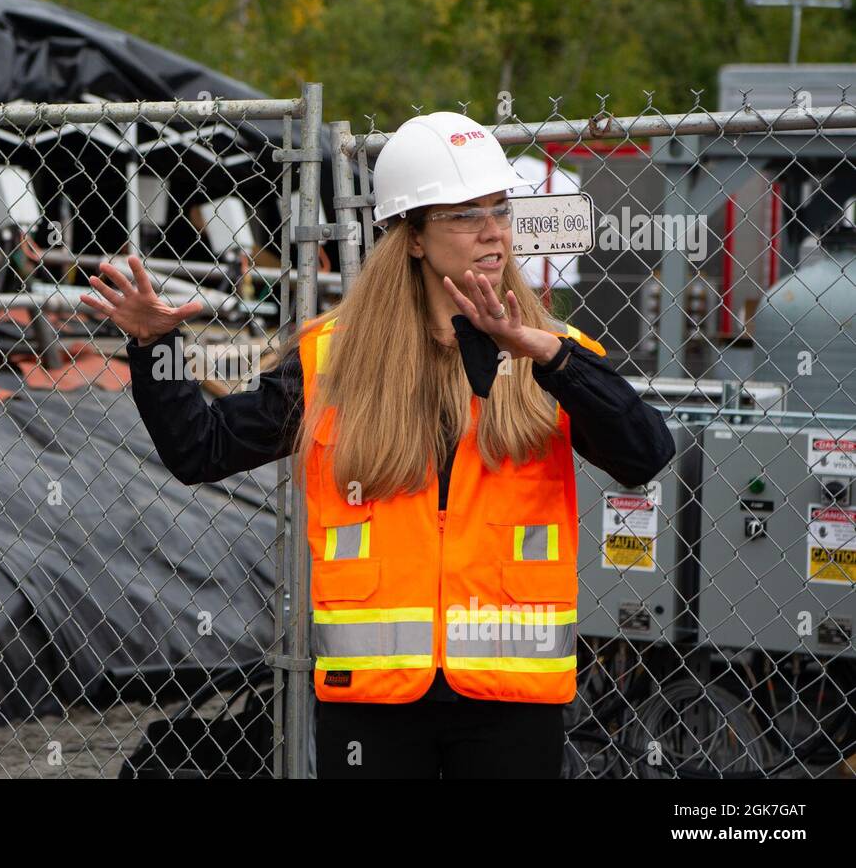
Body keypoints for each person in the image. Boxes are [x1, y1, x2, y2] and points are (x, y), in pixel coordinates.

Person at [80, 111, 675, 779]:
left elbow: (645, 454)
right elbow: (202, 451)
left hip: (513, 702)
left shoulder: (556, 358)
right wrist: (154, 347)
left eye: (499, 210)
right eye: (463, 214)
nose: (492, 230)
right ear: (413, 236)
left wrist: (551, 356)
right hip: (373, 706)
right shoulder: (331, 359)